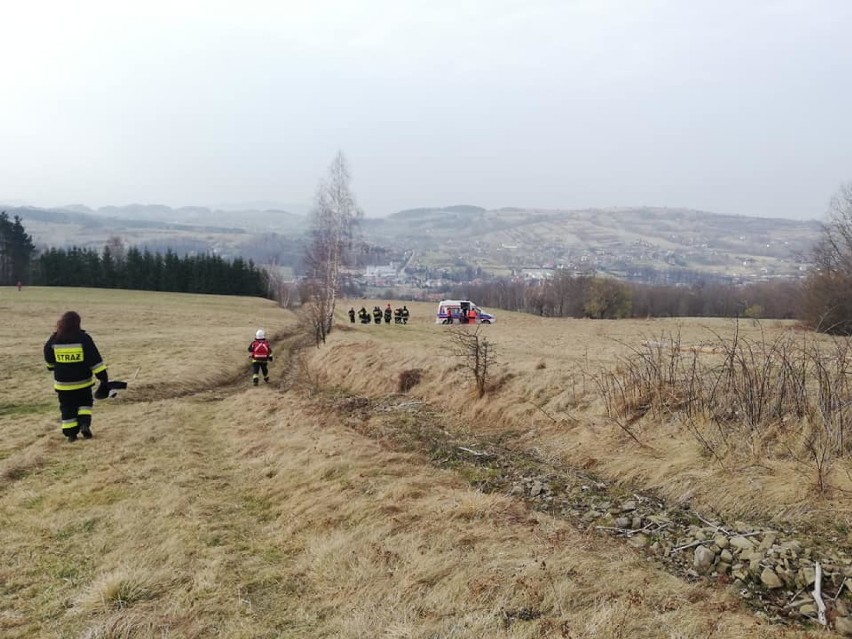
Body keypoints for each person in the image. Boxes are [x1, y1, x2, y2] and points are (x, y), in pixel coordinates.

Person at [43, 311, 109, 442]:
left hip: (63, 385)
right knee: (85, 404)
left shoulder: (55, 339)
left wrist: (51, 366)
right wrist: (103, 377)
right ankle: (84, 424)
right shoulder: (84, 338)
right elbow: (94, 360)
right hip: (82, 383)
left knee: (67, 407)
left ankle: (71, 434)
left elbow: (47, 355)